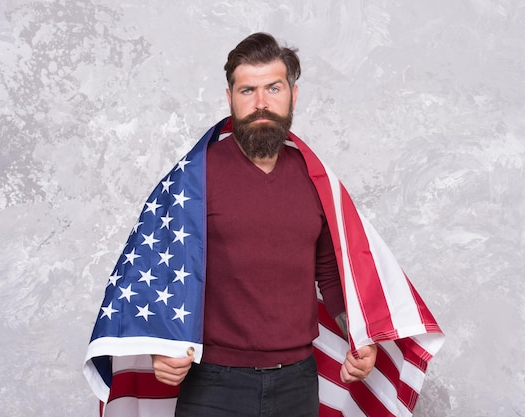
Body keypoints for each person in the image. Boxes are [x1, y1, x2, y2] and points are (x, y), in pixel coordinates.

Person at [150, 32, 377, 417]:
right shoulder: (195, 177)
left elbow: (328, 270)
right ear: (229, 99)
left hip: (297, 383)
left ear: (293, 94)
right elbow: (160, 267)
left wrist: (360, 334)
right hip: (212, 384)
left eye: (273, 88)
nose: (260, 103)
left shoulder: (316, 178)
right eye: (247, 90)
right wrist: (162, 344)